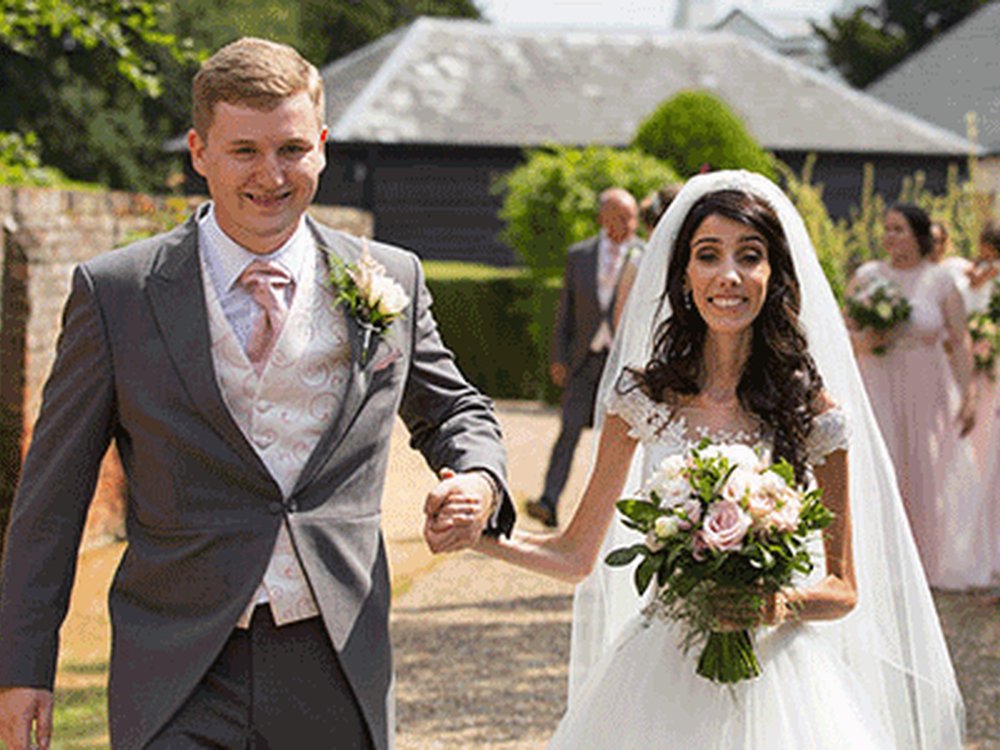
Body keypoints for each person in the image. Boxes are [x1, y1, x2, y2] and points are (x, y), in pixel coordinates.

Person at [0, 38, 513, 750]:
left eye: (292, 149)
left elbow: (455, 409)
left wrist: (480, 480)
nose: (271, 176)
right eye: (244, 151)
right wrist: (24, 667)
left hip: (334, 653)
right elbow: (51, 497)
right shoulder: (116, 293)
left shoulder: (392, 277)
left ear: (324, 147)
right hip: (176, 662)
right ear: (198, 150)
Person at [446, 171, 964, 748]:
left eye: (750, 256)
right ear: (685, 276)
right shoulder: (639, 399)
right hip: (661, 669)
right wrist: (478, 538)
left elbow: (843, 589)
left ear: (774, 275)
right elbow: (574, 555)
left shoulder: (812, 410)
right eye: (709, 255)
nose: (729, 276)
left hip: (781, 681)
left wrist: (774, 602)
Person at [846, 204, 990, 590]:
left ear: (918, 235)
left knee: (925, 468)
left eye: (899, 229)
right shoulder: (867, 277)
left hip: (927, 387)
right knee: (883, 464)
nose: (890, 237)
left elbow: (958, 342)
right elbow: (844, 333)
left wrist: (970, 395)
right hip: (876, 381)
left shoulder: (941, 281)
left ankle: (923, 563)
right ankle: (876, 562)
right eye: (887, 229)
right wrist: (867, 340)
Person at [525, 188, 642, 528]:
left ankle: (617, 518)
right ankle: (548, 502)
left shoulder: (646, 255)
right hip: (583, 362)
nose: (630, 223)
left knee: (621, 441)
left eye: (633, 216)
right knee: (569, 433)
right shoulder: (579, 256)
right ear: (603, 218)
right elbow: (566, 313)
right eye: (621, 216)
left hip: (623, 366)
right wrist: (558, 356)